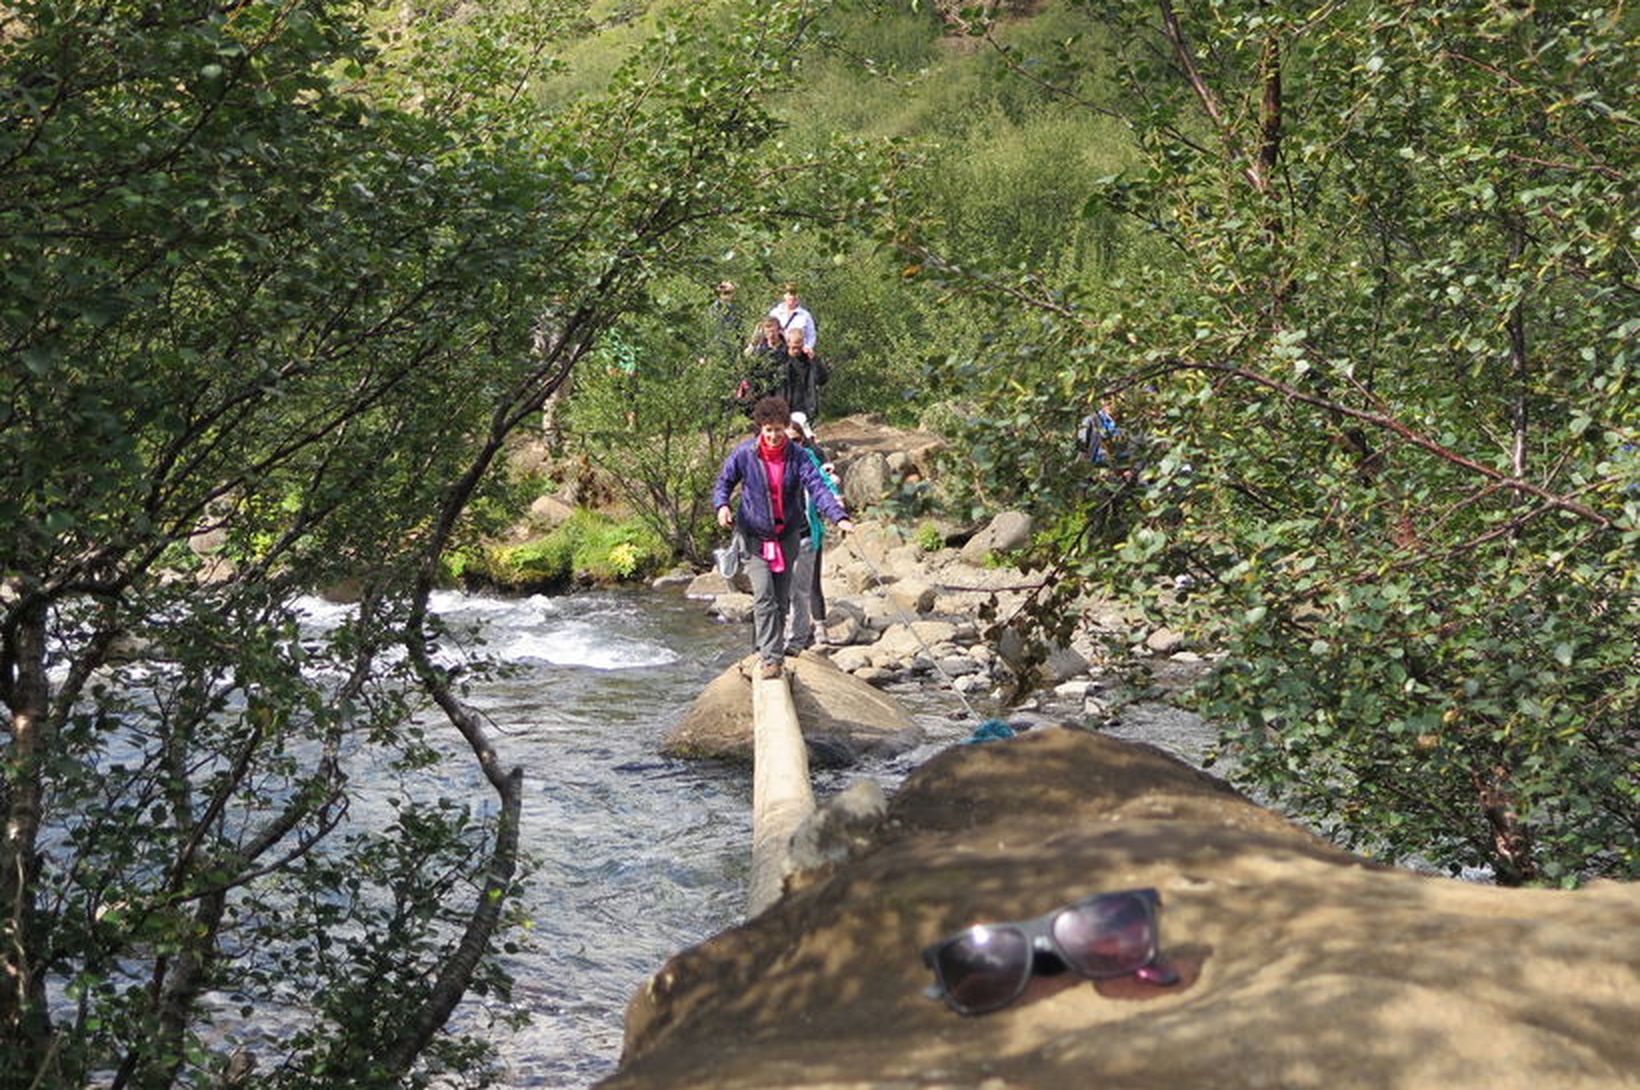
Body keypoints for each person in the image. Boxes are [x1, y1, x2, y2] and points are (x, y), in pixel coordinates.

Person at [714, 397, 854, 679]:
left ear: (785, 427)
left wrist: (838, 516)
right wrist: (722, 505)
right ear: (760, 429)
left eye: (778, 429)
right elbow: (724, 482)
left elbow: (817, 487)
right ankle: (770, 658)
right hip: (753, 535)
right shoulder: (744, 454)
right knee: (764, 595)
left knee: (780, 599)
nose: (774, 435)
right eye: (768, 430)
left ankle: (766, 649)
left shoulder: (798, 456)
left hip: (787, 535)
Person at [783, 411, 839, 655]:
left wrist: (837, 507)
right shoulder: (769, 461)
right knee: (787, 586)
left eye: (796, 440)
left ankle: (819, 628)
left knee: (811, 584)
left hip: (809, 530)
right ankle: (793, 632)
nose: (792, 445)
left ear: (803, 438)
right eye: (788, 440)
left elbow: (822, 484)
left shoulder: (810, 456)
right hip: (782, 535)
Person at [735, 317, 787, 411]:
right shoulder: (759, 349)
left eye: (773, 331)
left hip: (782, 392)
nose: (771, 335)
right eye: (767, 332)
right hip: (762, 393)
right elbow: (744, 361)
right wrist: (753, 344)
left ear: (779, 330)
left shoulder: (787, 349)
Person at [780, 325, 827, 422]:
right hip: (785, 406)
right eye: (794, 347)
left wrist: (815, 360)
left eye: (799, 347)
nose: (796, 350)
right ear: (788, 342)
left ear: (803, 343)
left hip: (806, 406)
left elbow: (822, 379)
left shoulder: (810, 360)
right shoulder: (780, 359)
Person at [768, 283, 816, 351]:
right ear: (784, 296)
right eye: (790, 294)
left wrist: (807, 347)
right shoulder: (775, 313)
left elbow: (811, 335)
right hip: (778, 350)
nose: (792, 297)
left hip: (798, 351)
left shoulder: (805, 315)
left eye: (795, 295)